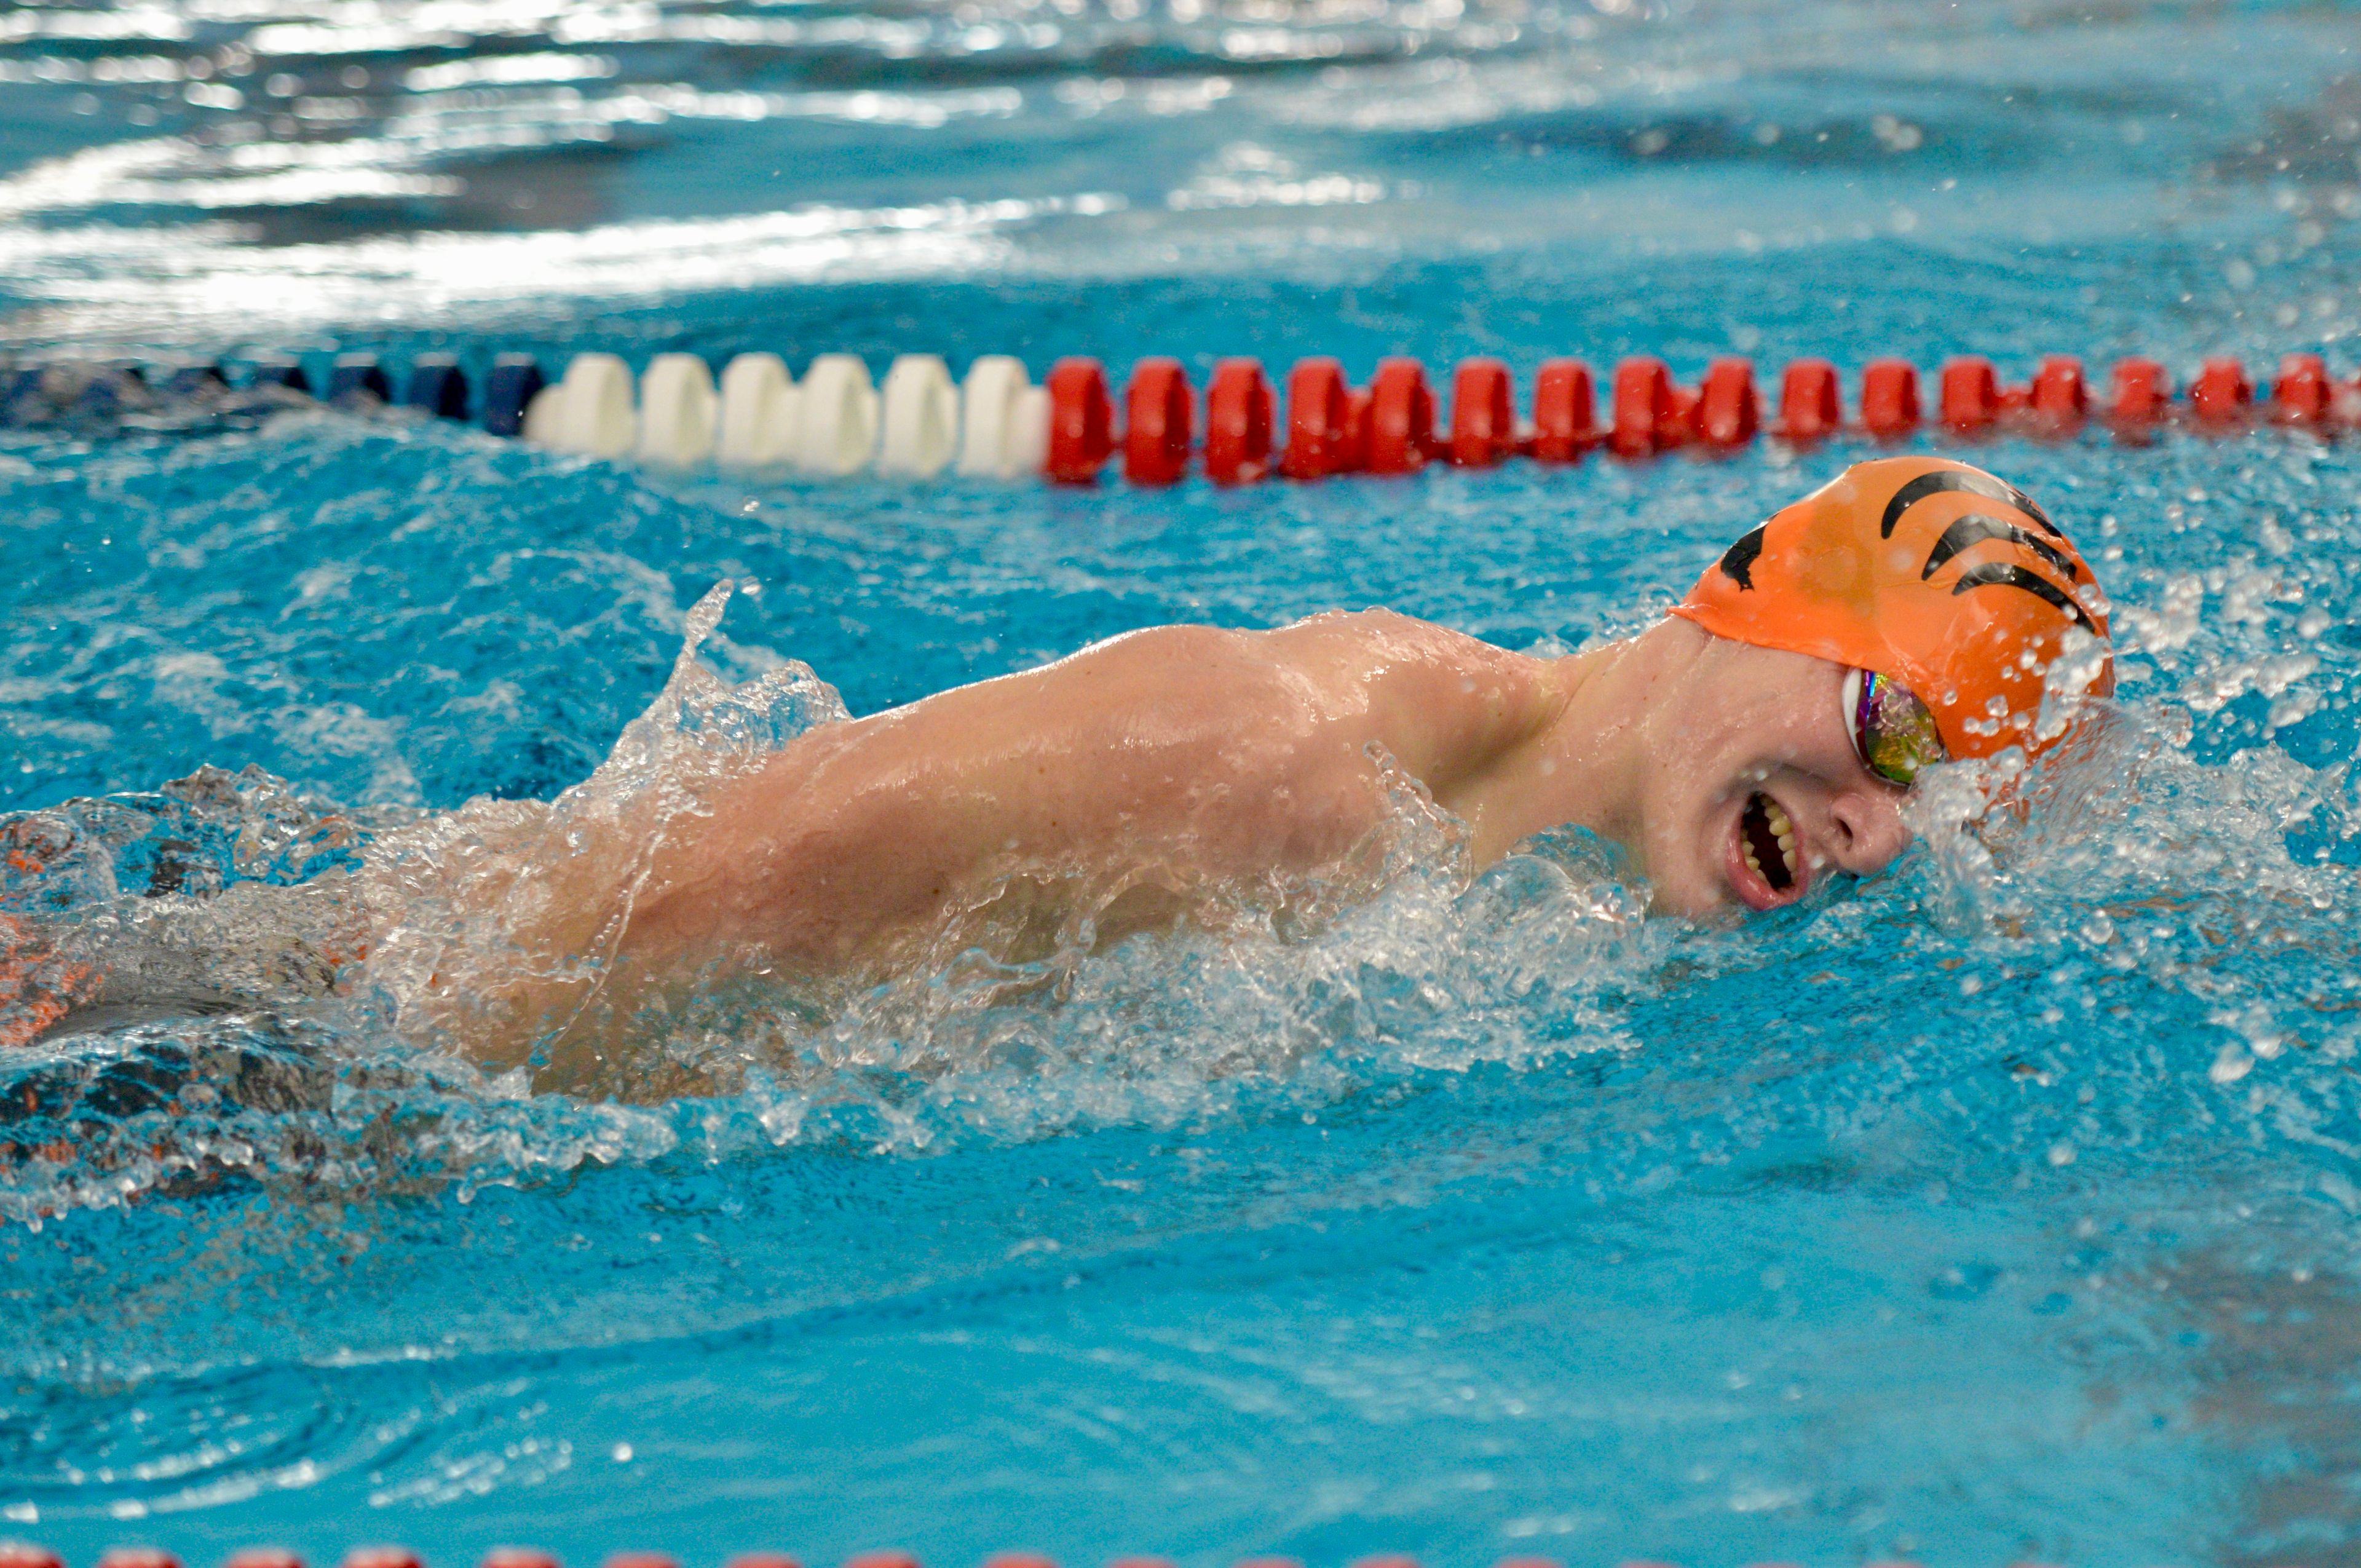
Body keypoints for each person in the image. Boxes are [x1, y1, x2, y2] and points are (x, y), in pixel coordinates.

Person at [7, 454, 2112, 1091]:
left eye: (1940, 801)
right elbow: (593, 926)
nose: (1879, 830)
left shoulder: (1564, 874)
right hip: (302, 1016)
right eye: (1891, 728)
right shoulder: (1259, 770)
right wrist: (225, 1053)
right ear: (1739, 594)